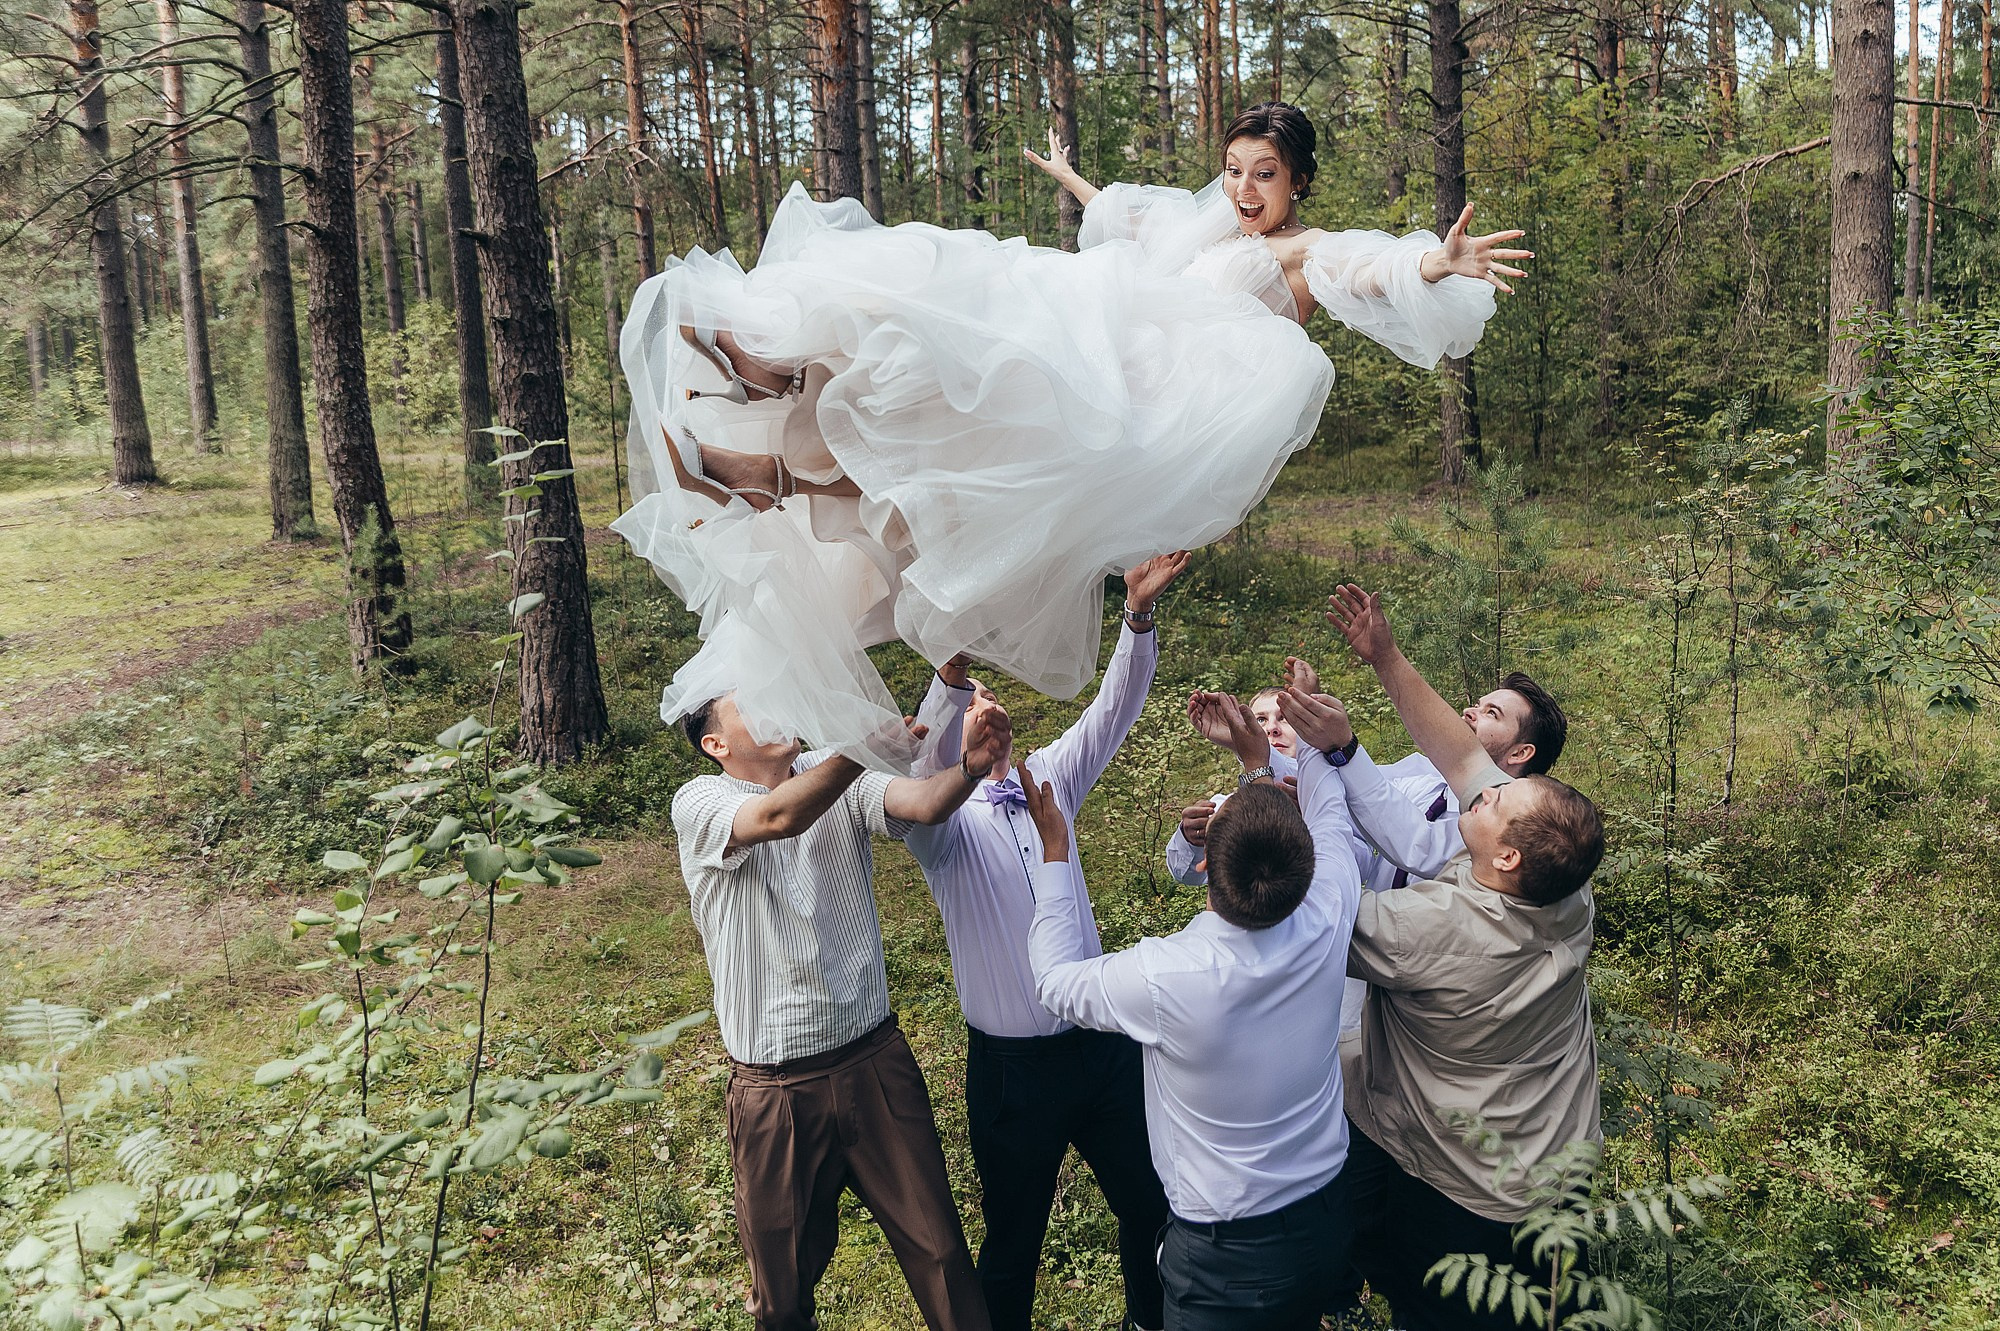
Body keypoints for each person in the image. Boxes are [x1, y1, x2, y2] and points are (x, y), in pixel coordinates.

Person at [613, 100, 1530, 770]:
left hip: (1135, 414)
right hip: (1102, 364)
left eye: (1266, 174)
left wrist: (1433, 261)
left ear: (1298, 183)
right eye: (1236, 168)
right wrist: (1068, 179)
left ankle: (776, 454)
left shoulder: (1300, 249)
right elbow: (1139, 227)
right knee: (946, 374)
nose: (1245, 189)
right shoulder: (1214, 226)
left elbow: (1365, 268)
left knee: (960, 465)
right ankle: (772, 403)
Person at [902, 553, 1187, 1331]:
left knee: (1152, 1200)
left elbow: (1112, 710)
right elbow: (915, 798)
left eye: (992, 697)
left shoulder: (1048, 781)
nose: (988, 709)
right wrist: (953, 683)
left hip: (1098, 1045)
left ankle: (1148, 1320)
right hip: (1013, 1073)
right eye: (972, 704)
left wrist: (1135, 616)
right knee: (1015, 1237)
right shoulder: (944, 830)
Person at [1020, 689, 1365, 1330]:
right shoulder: (1329, 910)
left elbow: (1055, 983)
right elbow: (1334, 814)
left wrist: (1055, 856)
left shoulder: (1165, 974)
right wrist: (1260, 759)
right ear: (1307, 860)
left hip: (1226, 1263)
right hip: (1326, 1220)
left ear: (1205, 864)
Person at [670, 692, 1014, 1331]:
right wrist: (863, 750)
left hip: (875, 1061)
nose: (774, 706)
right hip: (776, 1091)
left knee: (941, 1255)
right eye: (749, 705)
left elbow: (924, 802)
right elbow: (777, 818)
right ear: (716, 745)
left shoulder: (834, 772)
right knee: (782, 1291)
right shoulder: (699, 802)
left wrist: (966, 769)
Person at [1316, 584, 1606, 1331]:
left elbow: (1314, 917)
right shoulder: (1567, 889)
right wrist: (1386, 656)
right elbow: (1465, 755)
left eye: (1497, 801)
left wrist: (1279, 769)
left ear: (1506, 852)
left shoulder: (1433, 928)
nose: (1482, 790)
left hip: (1463, 1195)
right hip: (1559, 1173)